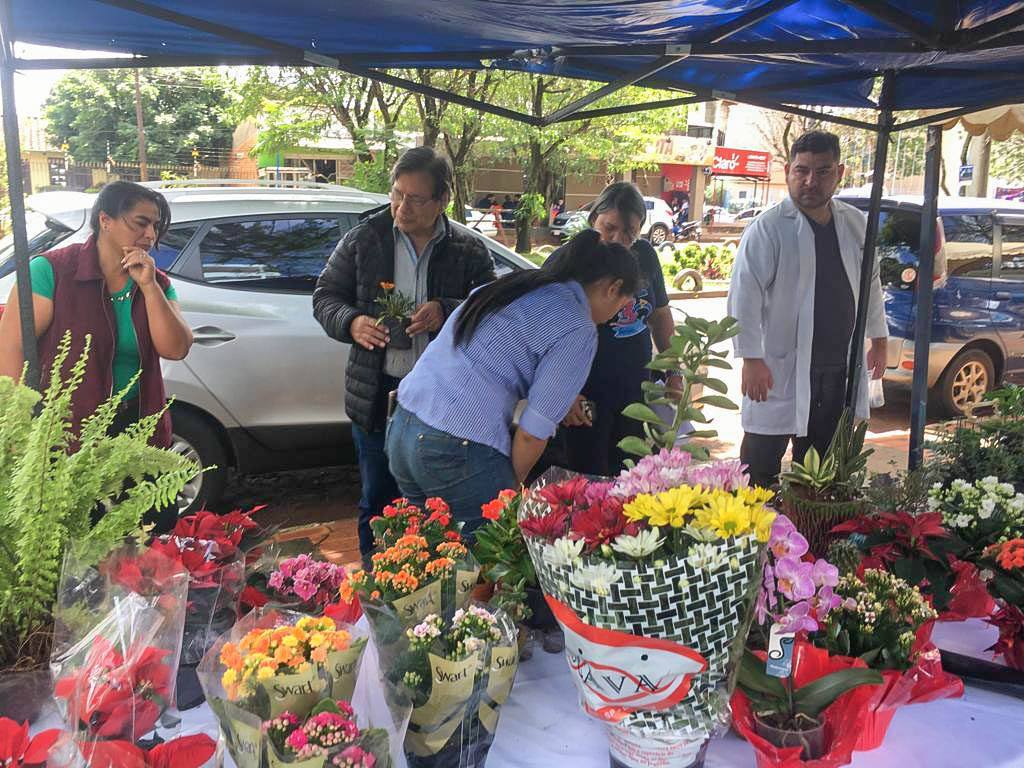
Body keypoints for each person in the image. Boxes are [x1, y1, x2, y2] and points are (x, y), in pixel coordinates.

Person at [386, 229, 639, 535]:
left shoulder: (515, 287)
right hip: (454, 445)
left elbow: (487, 354)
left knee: (430, 554)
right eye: (621, 306)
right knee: (497, 556)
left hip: (403, 426)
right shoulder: (578, 327)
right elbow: (532, 435)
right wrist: (509, 494)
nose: (614, 317)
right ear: (613, 288)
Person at [313, 147, 495, 555]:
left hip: (444, 401)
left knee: (438, 506)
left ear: (442, 200)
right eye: (398, 194)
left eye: (416, 199)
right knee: (378, 500)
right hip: (378, 394)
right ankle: (376, 591)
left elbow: (489, 312)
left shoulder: (468, 250)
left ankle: (434, 593)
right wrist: (351, 322)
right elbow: (325, 297)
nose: (402, 207)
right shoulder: (365, 238)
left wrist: (445, 311)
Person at [0, 181, 193, 530]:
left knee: (146, 536)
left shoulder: (158, 283)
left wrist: (148, 288)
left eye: (156, 226)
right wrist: (17, 429)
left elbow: (175, 347)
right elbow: (10, 348)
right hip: (66, 434)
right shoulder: (52, 271)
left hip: (138, 430)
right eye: (140, 222)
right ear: (105, 220)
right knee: (77, 543)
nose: (150, 234)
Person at [727, 130, 887, 488]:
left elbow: (870, 281)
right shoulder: (768, 229)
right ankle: (753, 538)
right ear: (787, 170)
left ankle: (808, 538)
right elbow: (744, 295)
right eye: (802, 170)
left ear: (840, 172)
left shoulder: (855, 224)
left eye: (822, 171)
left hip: (836, 368)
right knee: (759, 468)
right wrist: (751, 358)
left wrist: (878, 335)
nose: (810, 181)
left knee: (819, 471)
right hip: (778, 367)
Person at [555, 182, 679, 477]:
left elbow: (661, 318)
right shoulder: (570, 261)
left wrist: (674, 372)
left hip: (634, 395)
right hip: (584, 399)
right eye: (609, 227)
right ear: (593, 218)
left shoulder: (645, 257)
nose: (618, 239)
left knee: (631, 479)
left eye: (629, 232)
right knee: (587, 483)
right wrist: (564, 392)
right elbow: (543, 336)